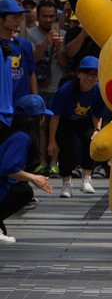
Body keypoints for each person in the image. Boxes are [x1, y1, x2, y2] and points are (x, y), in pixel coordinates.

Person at [48, 56, 105, 198]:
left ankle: (86, 179)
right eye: (86, 73)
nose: (90, 78)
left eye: (94, 75)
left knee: (90, 140)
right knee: (66, 146)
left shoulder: (98, 91)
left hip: (83, 120)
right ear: (79, 74)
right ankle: (66, 184)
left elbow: (97, 115)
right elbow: (55, 117)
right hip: (64, 120)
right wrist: (51, 141)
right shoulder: (65, 91)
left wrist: (97, 130)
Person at [0, 95, 53, 244]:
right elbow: (8, 168)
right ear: (39, 119)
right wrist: (34, 178)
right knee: (25, 192)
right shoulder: (22, 138)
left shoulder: (10, 130)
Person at [27, 1, 67, 177]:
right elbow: (32, 61)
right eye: (44, 16)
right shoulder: (29, 34)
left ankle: (54, 162)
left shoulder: (63, 34)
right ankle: (42, 161)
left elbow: (65, 64)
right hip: (40, 87)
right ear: (38, 16)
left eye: (52, 16)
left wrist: (59, 47)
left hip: (58, 87)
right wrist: (45, 43)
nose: (48, 20)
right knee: (41, 127)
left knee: (55, 127)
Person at [0, 0, 37, 106]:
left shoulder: (24, 44)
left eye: (19, 16)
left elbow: (31, 74)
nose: (18, 20)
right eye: (13, 16)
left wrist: (35, 102)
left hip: (23, 111)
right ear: (1, 19)